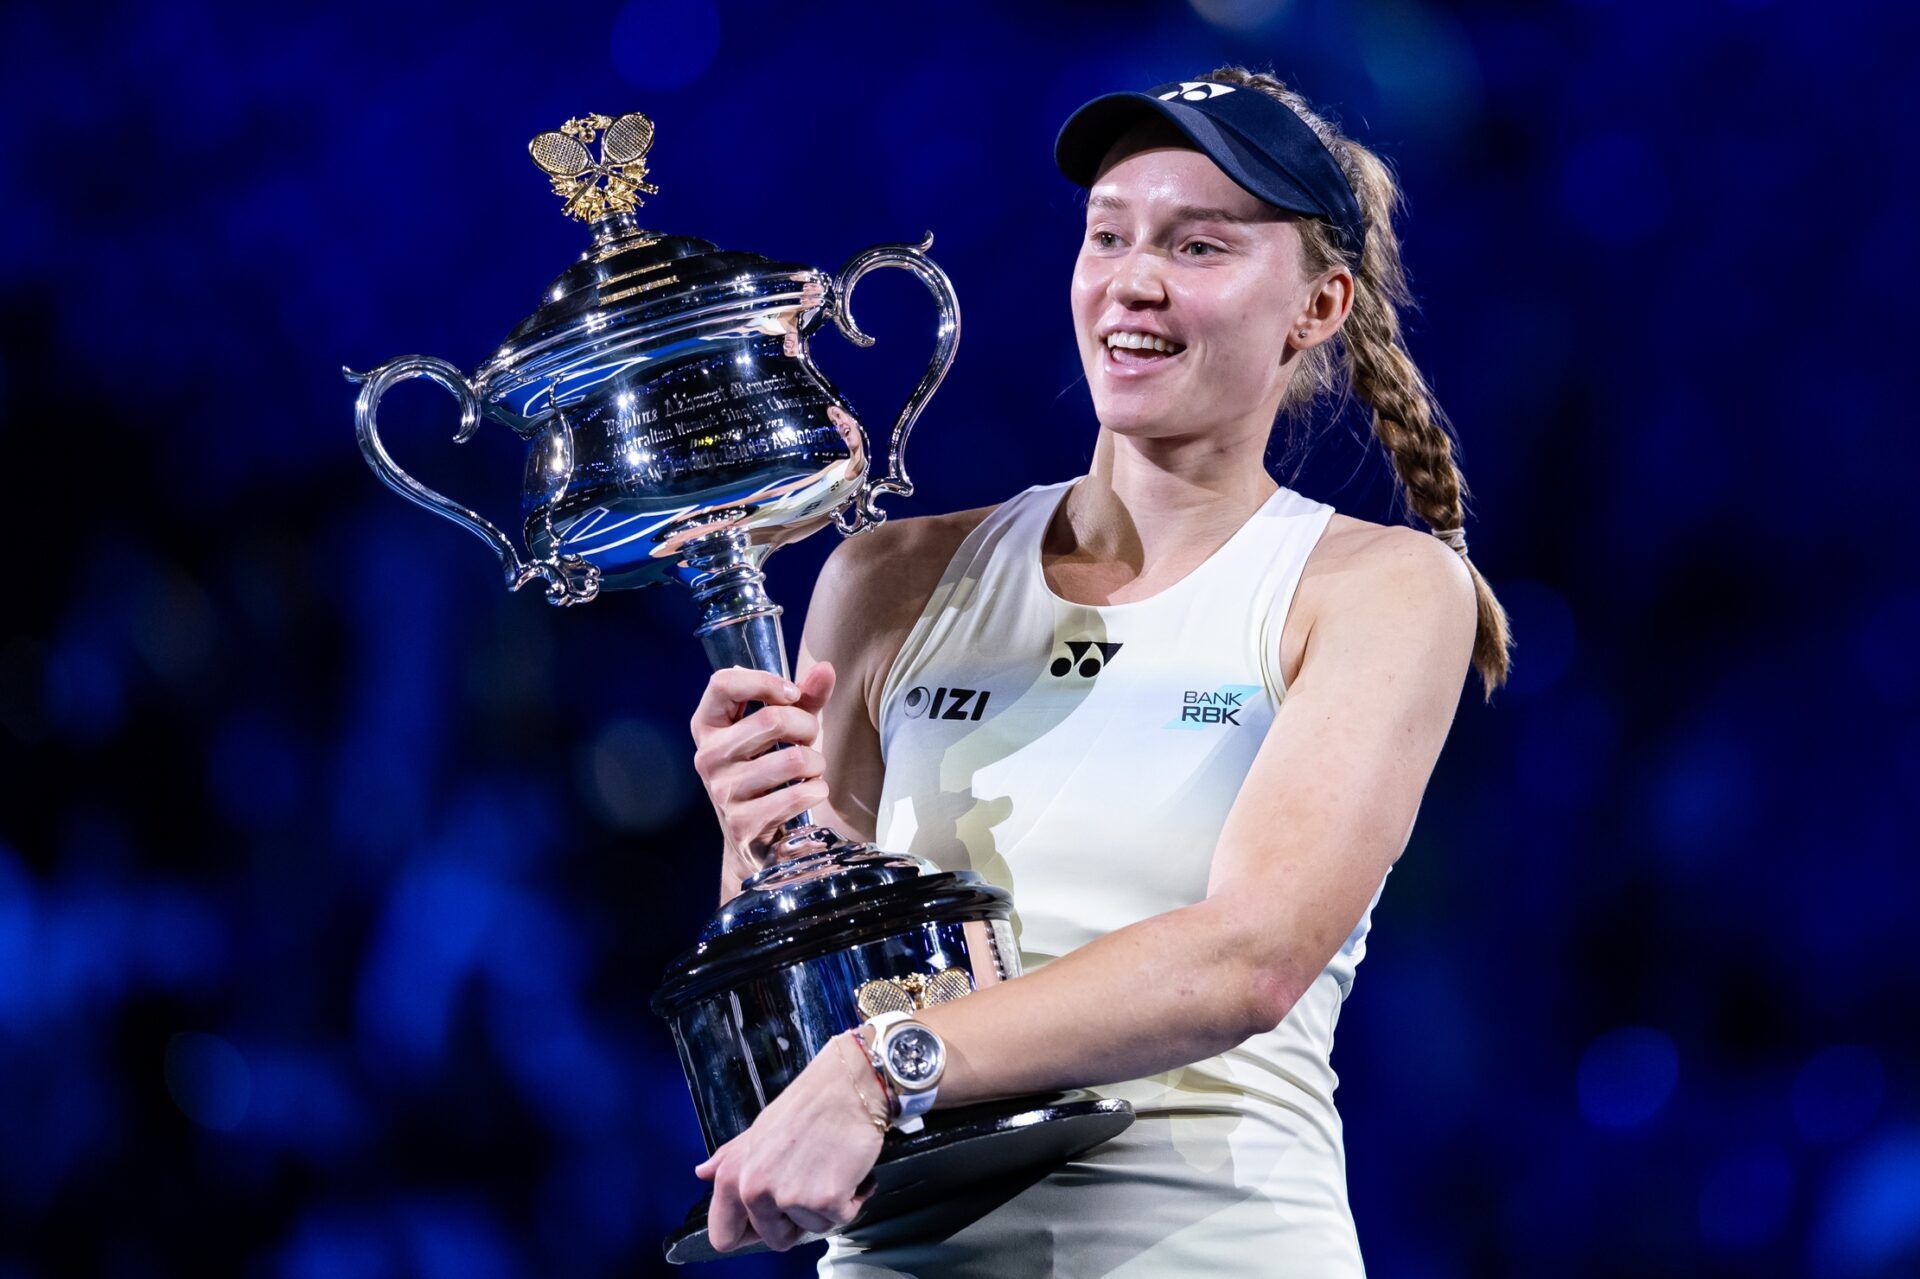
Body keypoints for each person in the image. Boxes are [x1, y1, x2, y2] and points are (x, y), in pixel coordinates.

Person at [686, 65, 1513, 1277]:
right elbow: (799, 996)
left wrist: (885, 1064)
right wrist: (755, 836)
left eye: (1199, 245)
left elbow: (1251, 956)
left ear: (1319, 304)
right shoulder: (887, 578)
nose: (1133, 279)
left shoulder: (1376, 590)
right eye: (1108, 236)